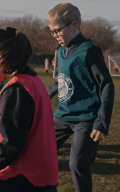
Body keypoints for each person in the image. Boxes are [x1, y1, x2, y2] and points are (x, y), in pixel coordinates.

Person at [0, 27, 58, 192]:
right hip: (42, 177)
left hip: (24, 177)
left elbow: (11, 145)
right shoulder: (32, 80)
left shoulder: (16, 89)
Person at [46, 3, 114, 192]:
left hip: (86, 119)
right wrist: (46, 93)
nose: (55, 36)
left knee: (77, 166)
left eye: (57, 31)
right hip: (61, 116)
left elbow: (107, 85)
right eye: (51, 32)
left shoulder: (89, 50)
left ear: (74, 26)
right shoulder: (60, 52)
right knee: (40, 151)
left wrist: (101, 122)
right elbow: (62, 81)